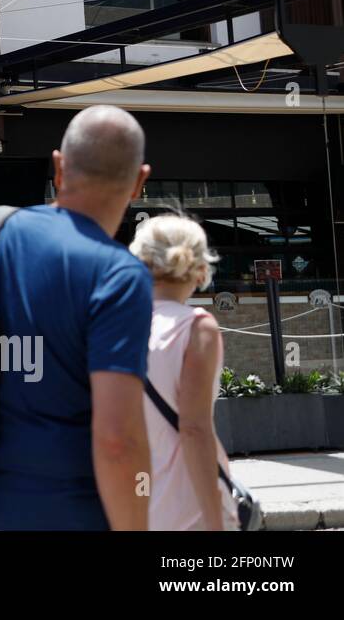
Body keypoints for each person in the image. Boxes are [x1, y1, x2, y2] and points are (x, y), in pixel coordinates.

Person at [0, 104, 154, 530]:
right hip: (75, 515)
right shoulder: (120, 275)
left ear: (58, 168)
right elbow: (119, 440)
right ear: (139, 182)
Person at [130, 215, 238, 531]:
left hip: (135, 500)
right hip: (189, 507)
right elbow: (194, 429)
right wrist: (215, 521)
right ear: (200, 266)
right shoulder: (196, 328)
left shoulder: (115, 326)